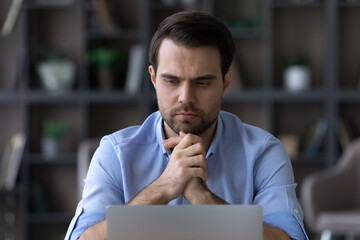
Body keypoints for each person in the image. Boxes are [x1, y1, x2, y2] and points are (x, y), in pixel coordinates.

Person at [65, 11, 308, 240]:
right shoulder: (115, 153)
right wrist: (161, 189)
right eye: (171, 81)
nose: (185, 97)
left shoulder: (263, 152)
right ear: (153, 78)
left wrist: (204, 200)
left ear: (225, 82)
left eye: (202, 83)